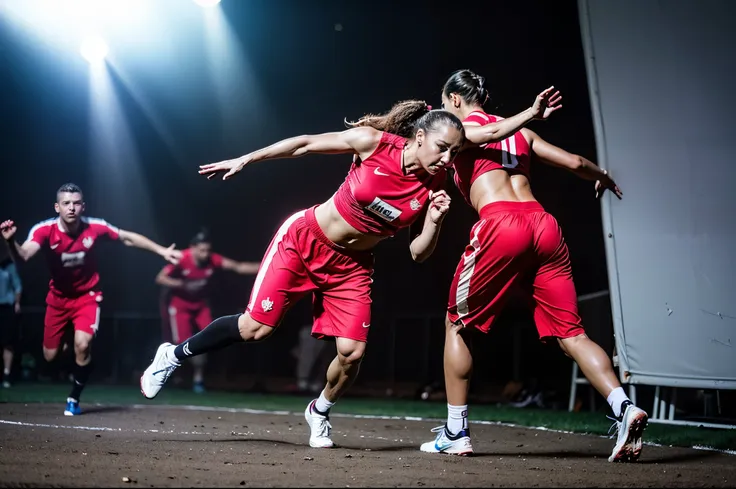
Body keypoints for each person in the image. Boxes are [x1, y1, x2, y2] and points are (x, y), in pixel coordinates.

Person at [140, 90, 555, 449]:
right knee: (256, 329)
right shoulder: (373, 143)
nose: (448, 159)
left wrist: (434, 223)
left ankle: (319, 410)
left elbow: (418, 254)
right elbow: (303, 144)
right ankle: (174, 355)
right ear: (420, 136)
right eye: (442, 148)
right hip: (304, 242)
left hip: (352, 268)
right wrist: (248, 158)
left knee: (351, 353)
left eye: (454, 153)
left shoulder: (432, 189)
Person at [419, 69, 647, 463]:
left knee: (457, 323)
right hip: (544, 227)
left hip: (502, 224)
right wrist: (602, 176)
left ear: (455, 100)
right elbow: (575, 162)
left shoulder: (461, 131)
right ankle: (624, 408)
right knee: (571, 333)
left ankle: (456, 431)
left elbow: (483, 136)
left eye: (444, 104)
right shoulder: (523, 135)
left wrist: (529, 112)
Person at [1, 183, 181, 415]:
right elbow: (23, 256)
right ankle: (75, 347)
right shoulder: (44, 231)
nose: (72, 208)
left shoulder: (95, 228)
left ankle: (73, 399)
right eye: (66, 203)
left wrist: (161, 251)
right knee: (50, 355)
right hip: (58, 299)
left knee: (82, 345)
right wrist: (9, 242)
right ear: (57, 207)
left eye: (76, 203)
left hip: (88, 297)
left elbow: (126, 238)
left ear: (83, 206)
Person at [155, 228, 259, 393]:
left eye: (208, 250)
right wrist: (181, 285)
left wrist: (267, 267)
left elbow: (238, 267)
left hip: (201, 306)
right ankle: (177, 376)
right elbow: (160, 278)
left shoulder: (213, 260)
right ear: (193, 248)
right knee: (181, 343)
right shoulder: (181, 258)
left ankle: (199, 378)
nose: (205, 254)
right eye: (202, 250)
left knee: (209, 338)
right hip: (180, 306)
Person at [0, 246, 22, 388]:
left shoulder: (10, 267)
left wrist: (17, 303)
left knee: (7, 342)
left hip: (6, 307)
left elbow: (18, 287)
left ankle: (7, 374)